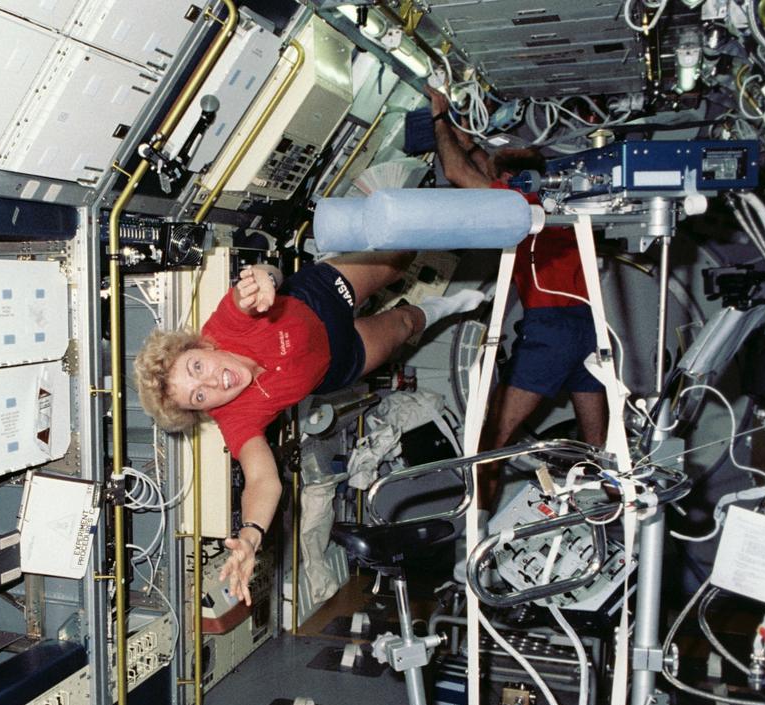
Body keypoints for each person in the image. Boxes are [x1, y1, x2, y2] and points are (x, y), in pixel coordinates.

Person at [134, 254, 486, 605]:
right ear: (203, 410)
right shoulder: (235, 416)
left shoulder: (227, 325)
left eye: (197, 366)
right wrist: (251, 535)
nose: (212, 381)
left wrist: (266, 279)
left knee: (397, 261)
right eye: (199, 396)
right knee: (405, 325)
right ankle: (448, 306)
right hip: (337, 361)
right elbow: (261, 480)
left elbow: (259, 281)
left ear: (201, 346)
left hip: (318, 298)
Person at [428, 87, 607, 510]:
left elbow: (458, 171)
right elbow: (473, 161)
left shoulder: (517, 203)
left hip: (552, 331)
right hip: (590, 329)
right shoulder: (558, 200)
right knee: (602, 449)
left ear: (508, 179)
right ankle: (615, 520)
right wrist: (464, 130)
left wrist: (438, 116)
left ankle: (478, 530)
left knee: (492, 440)